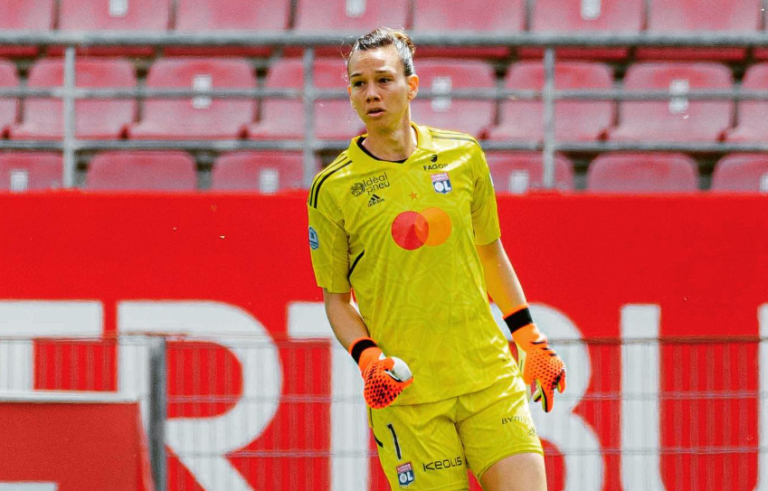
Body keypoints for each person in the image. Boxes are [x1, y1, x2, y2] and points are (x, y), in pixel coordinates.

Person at [307, 27, 566, 491]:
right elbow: (336, 299)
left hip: (488, 380)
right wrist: (369, 361)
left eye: (383, 80)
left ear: (412, 85)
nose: (371, 93)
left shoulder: (463, 156)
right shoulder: (333, 189)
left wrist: (529, 337)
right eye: (358, 83)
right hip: (410, 399)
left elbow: (491, 254)